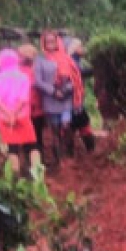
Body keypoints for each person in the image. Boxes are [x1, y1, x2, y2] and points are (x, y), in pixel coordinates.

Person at [34, 30, 84, 164]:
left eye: (53, 41)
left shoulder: (66, 57)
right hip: (50, 100)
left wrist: (65, 90)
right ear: (43, 43)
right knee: (55, 131)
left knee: (66, 125)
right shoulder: (40, 59)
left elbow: (74, 78)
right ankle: (59, 159)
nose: (51, 44)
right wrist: (53, 91)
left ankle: (70, 155)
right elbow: (38, 81)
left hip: (65, 99)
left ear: (58, 42)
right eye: (48, 41)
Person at [0, 48, 37, 177]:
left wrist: (9, 114)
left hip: (4, 118)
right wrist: (15, 114)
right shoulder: (23, 77)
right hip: (22, 116)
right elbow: (23, 99)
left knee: (13, 147)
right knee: (32, 145)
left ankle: (15, 177)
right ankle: (37, 174)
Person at [65, 37, 96, 153]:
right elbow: (78, 74)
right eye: (80, 46)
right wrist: (94, 70)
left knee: (78, 124)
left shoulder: (76, 60)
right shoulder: (70, 61)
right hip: (71, 101)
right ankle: (88, 151)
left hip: (76, 100)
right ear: (73, 49)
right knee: (78, 124)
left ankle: (77, 153)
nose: (83, 49)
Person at [18, 43, 47, 162]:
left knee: (33, 136)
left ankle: (34, 162)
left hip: (32, 109)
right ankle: (36, 162)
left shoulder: (34, 70)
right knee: (34, 136)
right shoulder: (25, 70)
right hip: (29, 109)